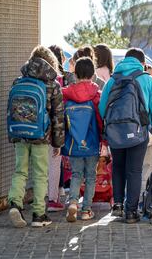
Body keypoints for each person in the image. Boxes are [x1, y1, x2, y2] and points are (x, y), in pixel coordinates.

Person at [99, 48, 152, 224]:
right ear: (142, 63)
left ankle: (118, 205)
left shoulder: (112, 80)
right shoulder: (147, 79)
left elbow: (102, 107)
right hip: (138, 131)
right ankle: (131, 212)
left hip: (115, 132)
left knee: (118, 167)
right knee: (134, 170)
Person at [8, 45, 64, 228]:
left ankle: (15, 203)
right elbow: (58, 115)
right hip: (42, 136)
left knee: (20, 171)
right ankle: (39, 215)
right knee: (40, 174)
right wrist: (58, 142)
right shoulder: (52, 85)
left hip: (20, 134)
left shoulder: (19, 81)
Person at [62, 57, 106, 222]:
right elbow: (101, 120)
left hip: (73, 143)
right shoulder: (96, 95)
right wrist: (104, 141)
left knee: (76, 174)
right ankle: (86, 210)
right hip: (93, 143)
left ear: (76, 73)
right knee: (91, 176)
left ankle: (73, 202)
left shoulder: (66, 93)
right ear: (93, 74)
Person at [46, 45, 76, 212]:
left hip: (43, 125)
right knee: (57, 162)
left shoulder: (43, 78)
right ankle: (54, 197)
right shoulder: (66, 78)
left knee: (46, 162)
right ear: (62, 60)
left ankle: (47, 195)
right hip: (63, 124)